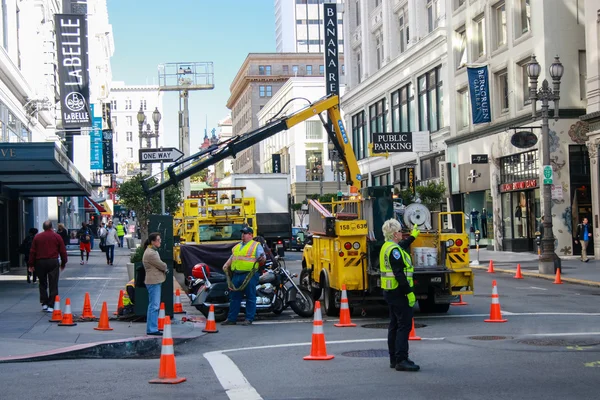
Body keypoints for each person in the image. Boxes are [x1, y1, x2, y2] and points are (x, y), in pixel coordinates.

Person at [380, 218, 420, 372]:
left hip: (390, 292)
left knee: (394, 325)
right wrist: (409, 293)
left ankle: (394, 358)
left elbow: (401, 247)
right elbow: (399, 274)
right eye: (401, 232)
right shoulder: (394, 250)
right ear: (395, 234)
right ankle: (401, 360)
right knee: (404, 326)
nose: (402, 234)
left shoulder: (387, 247)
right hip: (399, 292)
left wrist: (413, 237)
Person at [221, 226, 265, 326]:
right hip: (237, 274)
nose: (243, 235)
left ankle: (249, 318)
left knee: (250, 297)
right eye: (242, 233)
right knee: (234, 297)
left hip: (249, 275)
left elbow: (263, 258)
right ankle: (231, 319)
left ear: (250, 235)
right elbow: (232, 257)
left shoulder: (256, 245)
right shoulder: (237, 247)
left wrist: (261, 259)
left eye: (245, 233)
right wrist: (226, 264)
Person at [28, 220, 67, 312]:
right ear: (51, 227)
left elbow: (32, 251)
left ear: (43, 228)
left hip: (40, 262)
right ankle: (51, 304)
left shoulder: (37, 237)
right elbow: (62, 251)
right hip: (52, 261)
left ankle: (44, 302)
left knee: (42, 282)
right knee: (53, 283)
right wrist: (63, 262)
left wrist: (31, 264)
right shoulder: (57, 236)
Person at [143, 232, 167, 336]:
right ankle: (152, 329)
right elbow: (162, 265)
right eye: (158, 239)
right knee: (154, 306)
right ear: (153, 241)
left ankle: (152, 327)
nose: (160, 241)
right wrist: (165, 267)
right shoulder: (151, 253)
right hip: (154, 281)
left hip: (154, 280)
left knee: (153, 305)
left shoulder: (151, 251)